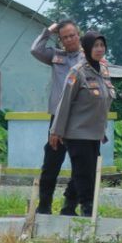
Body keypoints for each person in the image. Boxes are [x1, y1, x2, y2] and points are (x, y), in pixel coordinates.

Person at [47, 30, 114, 224]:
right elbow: (64, 102)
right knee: (86, 173)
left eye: (102, 45)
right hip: (77, 132)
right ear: (86, 48)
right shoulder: (77, 72)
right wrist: (56, 131)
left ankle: (68, 206)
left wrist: (102, 130)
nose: (100, 49)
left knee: (83, 171)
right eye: (95, 46)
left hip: (94, 133)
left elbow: (102, 104)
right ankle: (88, 208)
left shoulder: (104, 71)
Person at [31, 19, 86, 215]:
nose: (70, 40)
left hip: (80, 119)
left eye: (72, 35)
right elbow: (35, 50)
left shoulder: (88, 58)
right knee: (51, 163)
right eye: (65, 37)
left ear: (78, 35)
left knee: (79, 165)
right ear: (60, 40)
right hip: (57, 118)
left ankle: (69, 205)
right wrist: (49, 30)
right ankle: (44, 204)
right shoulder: (56, 56)